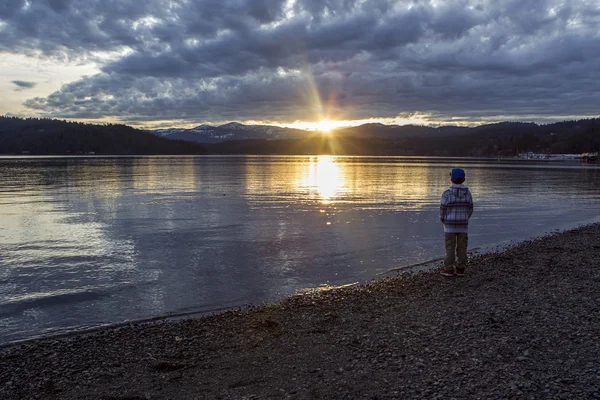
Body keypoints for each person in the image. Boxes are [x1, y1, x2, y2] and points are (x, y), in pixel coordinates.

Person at [439, 168, 473, 277]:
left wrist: (443, 219)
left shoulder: (446, 193)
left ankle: (449, 269)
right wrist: (465, 218)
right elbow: (470, 208)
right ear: (464, 179)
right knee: (462, 247)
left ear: (451, 179)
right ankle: (460, 269)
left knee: (450, 247)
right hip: (463, 225)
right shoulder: (467, 193)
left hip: (449, 225)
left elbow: (442, 209)